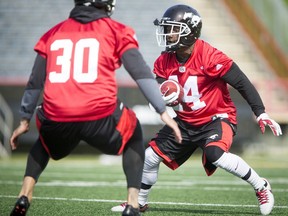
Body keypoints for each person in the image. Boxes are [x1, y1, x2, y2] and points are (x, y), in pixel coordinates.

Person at [9, 1, 183, 216]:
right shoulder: (116, 30)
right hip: (99, 113)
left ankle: (24, 195)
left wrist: (24, 120)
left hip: (57, 114)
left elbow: (35, 81)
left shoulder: (51, 34)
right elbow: (140, 72)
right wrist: (162, 111)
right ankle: (133, 204)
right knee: (134, 132)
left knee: (44, 142)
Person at [111, 4, 282, 216]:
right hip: (185, 121)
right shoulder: (164, 61)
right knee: (150, 157)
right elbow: (161, 86)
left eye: (174, 29)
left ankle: (261, 186)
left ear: (189, 31)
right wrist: (160, 97)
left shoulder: (210, 56)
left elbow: (242, 83)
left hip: (216, 118)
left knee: (215, 153)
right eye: (167, 29)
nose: (168, 34)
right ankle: (140, 202)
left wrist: (261, 112)